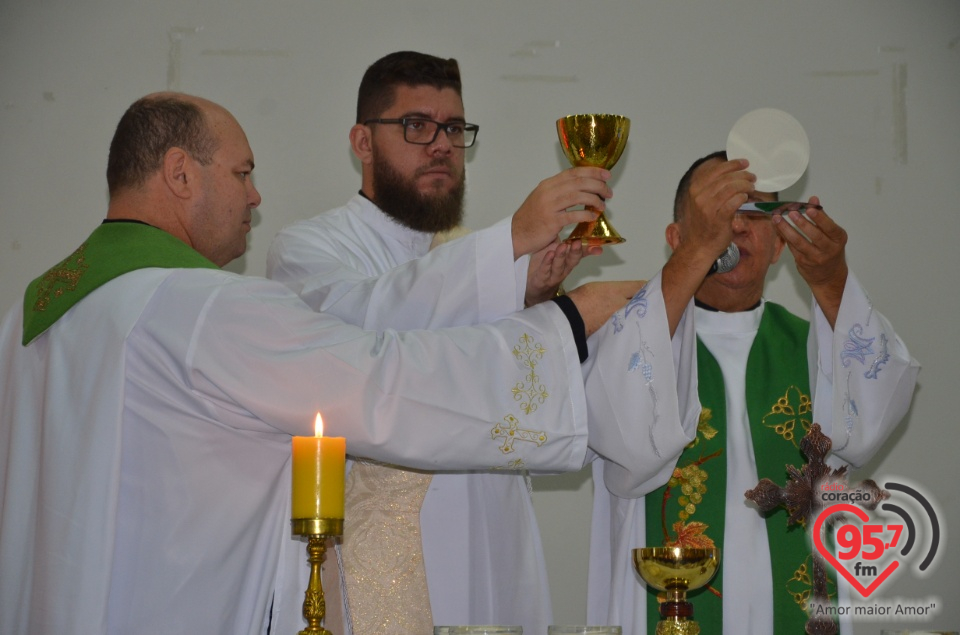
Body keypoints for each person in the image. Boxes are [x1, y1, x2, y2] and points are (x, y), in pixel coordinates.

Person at [0, 91, 709, 635]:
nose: (255, 196)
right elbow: (385, 382)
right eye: (243, 172)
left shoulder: (31, 317)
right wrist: (566, 321)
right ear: (180, 174)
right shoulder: (200, 307)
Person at [266, 51, 754, 633]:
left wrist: (534, 296)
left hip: (495, 534)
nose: (441, 145)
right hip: (386, 550)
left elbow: (516, 384)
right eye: (416, 126)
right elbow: (370, 336)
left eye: (453, 128)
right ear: (362, 142)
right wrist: (519, 248)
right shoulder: (308, 251)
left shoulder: (475, 257)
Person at [586, 151, 920, 635]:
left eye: (755, 214)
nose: (737, 228)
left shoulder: (817, 348)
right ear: (678, 240)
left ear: (780, 242)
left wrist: (832, 281)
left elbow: (870, 421)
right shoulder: (636, 343)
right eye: (718, 215)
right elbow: (618, 437)